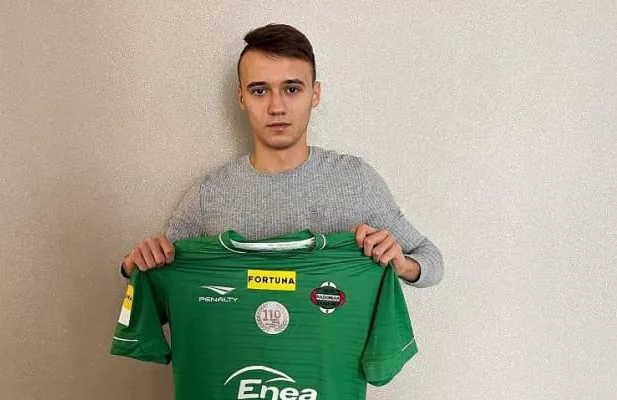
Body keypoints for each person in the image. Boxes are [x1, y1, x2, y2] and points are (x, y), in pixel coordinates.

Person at [120, 23, 443, 289]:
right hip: (237, 352)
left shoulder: (355, 179)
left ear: (315, 94)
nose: (277, 107)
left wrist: (403, 264)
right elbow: (163, 287)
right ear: (241, 97)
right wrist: (135, 265)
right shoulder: (209, 193)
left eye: (292, 89)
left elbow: (430, 259)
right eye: (260, 90)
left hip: (334, 351)